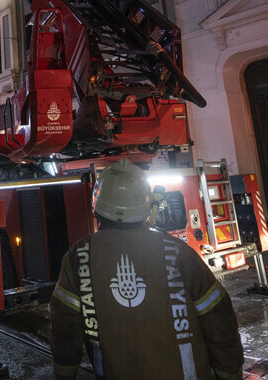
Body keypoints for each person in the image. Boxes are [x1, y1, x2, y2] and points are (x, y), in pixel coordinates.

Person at [49, 158, 244, 380]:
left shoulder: (78, 257)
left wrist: (64, 375)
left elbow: (64, 327)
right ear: (146, 204)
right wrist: (230, 374)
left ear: (97, 204)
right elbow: (218, 318)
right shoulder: (179, 252)